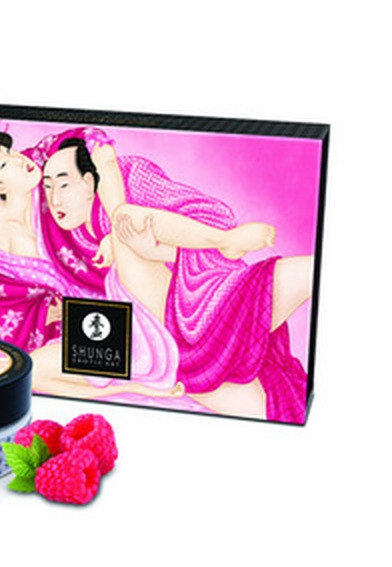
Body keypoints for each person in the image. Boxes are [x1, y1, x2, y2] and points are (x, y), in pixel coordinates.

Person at [29, 129, 311, 422]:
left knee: (126, 220)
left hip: (191, 308)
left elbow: (199, 218)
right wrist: (131, 387)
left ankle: (224, 241)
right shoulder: (70, 239)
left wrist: (137, 240)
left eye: (64, 185)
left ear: (90, 182)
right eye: (48, 187)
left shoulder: (129, 181)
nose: (55, 199)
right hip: (153, 349)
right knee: (34, 369)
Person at [0, 128, 183, 400]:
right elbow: (6, 298)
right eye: (2, 164)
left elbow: (92, 139)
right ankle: (127, 387)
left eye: (7, 151)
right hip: (75, 321)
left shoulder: (42, 166)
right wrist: (51, 309)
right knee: (32, 371)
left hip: (119, 287)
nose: (17, 158)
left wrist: (112, 224)